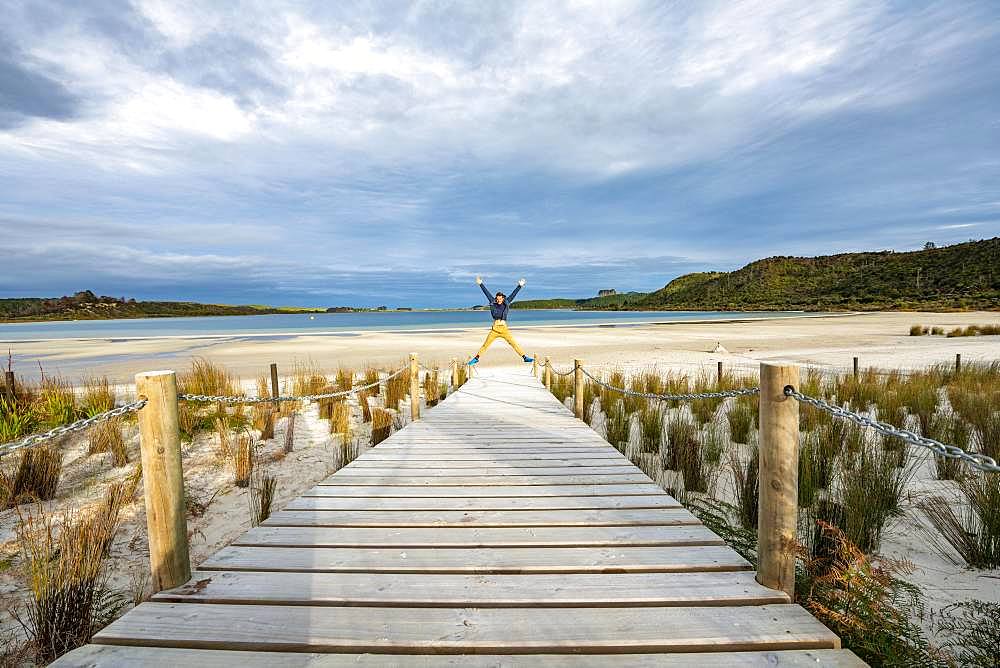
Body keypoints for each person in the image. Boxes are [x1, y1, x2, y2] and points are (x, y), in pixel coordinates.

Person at [468, 276, 534, 366]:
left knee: (514, 344)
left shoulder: (506, 302)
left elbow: (513, 294)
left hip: (504, 329)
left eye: (500, 298)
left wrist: (520, 286)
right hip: (494, 330)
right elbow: (486, 293)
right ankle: (476, 359)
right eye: (497, 298)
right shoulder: (492, 302)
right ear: (496, 298)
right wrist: (480, 284)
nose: (499, 300)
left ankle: (524, 357)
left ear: (503, 298)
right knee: (485, 345)